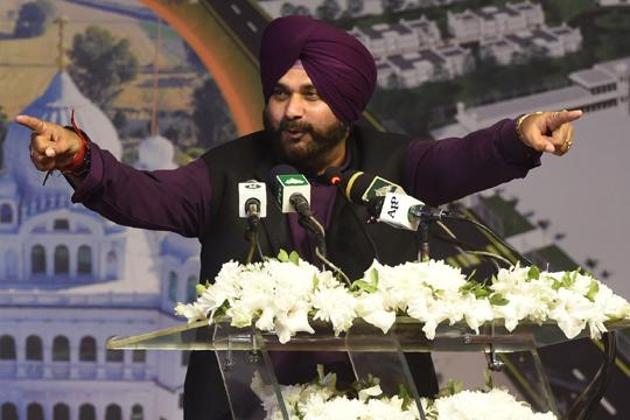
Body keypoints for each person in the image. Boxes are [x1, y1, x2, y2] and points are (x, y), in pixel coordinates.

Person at [16, 15, 581, 420]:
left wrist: (519, 135)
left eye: (311, 94)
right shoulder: (227, 171)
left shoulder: (394, 165)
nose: (291, 110)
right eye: (281, 94)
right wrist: (81, 158)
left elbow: (463, 159)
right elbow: (143, 195)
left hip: (376, 403)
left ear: (346, 104)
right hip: (245, 405)